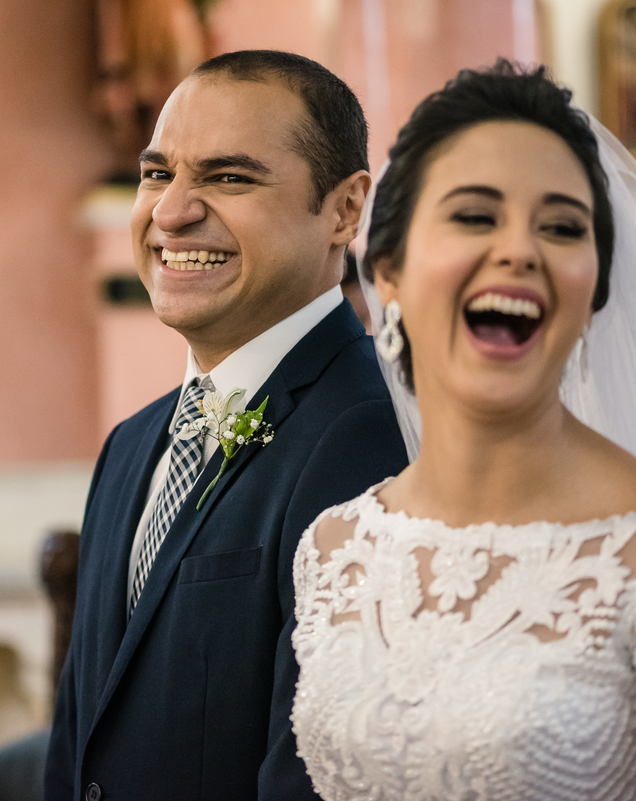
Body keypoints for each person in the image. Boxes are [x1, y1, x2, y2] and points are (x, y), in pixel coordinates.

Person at [290, 62, 636, 800]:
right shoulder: (336, 550)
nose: (520, 250)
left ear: (593, 294)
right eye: (474, 215)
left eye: (562, 227)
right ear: (388, 269)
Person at [44, 50, 408, 800]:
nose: (171, 211)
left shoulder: (366, 430)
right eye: (156, 173)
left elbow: (316, 773)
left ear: (345, 209)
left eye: (228, 176)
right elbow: (79, 743)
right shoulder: (130, 445)